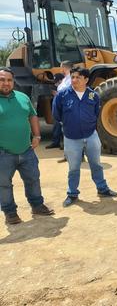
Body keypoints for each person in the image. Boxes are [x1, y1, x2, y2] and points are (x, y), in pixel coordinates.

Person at [52, 66, 117, 207]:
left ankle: (102, 189)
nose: (74, 80)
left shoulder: (93, 95)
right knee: (74, 168)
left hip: (91, 136)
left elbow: (95, 113)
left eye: (78, 77)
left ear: (86, 80)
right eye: (73, 77)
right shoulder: (62, 95)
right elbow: (56, 114)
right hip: (71, 138)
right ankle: (72, 194)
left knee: (96, 165)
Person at [0, 67, 54, 224]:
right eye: (2, 80)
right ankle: (10, 213)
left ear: (13, 81)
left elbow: (32, 115)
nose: (6, 83)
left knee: (33, 179)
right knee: (3, 185)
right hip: (3, 153)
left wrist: (37, 135)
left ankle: (37, 205)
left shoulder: (22, 97)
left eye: (9, 80)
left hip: (26, 150)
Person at [46, 73, 65, 149]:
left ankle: (64, 144)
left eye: (57, 81)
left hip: (64, 109)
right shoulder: (56, 86)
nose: (56, 83)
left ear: (62, 80)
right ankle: (55, 142)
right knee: (57, 125)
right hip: (58, 109)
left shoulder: (65, 86)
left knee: (65, 127)